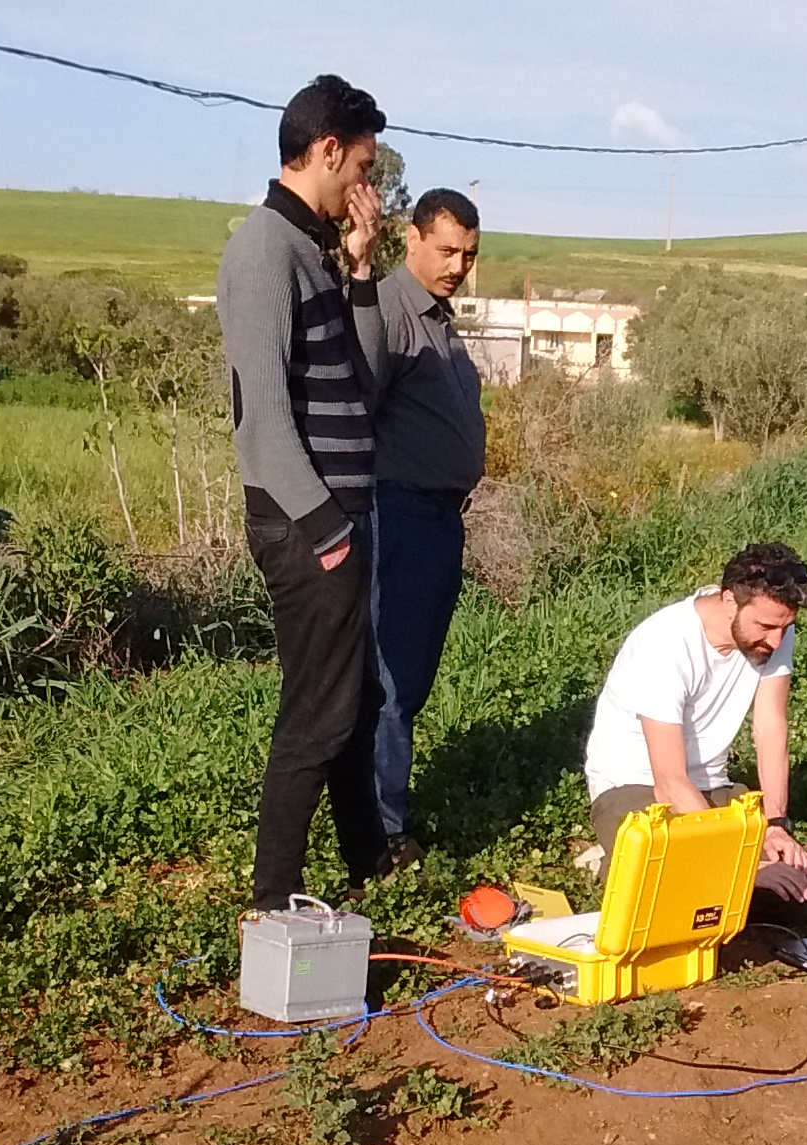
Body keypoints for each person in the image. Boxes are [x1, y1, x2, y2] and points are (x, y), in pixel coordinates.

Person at [217, 75, 390, 911]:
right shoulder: (263, 251)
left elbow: (363, 378)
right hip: (306, 525)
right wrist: (331, 533)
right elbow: (260, 422)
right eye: (362, 166)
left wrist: (360, 268)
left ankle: (370, 863)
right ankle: (272, 898)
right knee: (318, 711)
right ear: (326, 151)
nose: (365, 185)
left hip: (336, 517)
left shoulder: (312, 250)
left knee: (355, 699)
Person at [579, 543, 807, 901]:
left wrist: (775, 825)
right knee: (692, 894)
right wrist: (740, 866)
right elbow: (669, 782)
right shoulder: (664, 644)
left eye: (786, 627)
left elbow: (771, 728)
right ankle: (616, 860)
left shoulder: (774, 628)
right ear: (729, 601)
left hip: (711, 787)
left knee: (786, 891)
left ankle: (666, 863)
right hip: (638, 788)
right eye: (767, 626)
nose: (776, 640)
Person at [364, 188, 484, 869]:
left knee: (409, 679)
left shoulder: (437, 320)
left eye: (468, 254)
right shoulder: (387, 312)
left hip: (437, 520)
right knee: (389, 681)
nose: (457, 266)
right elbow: (353, 415)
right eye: (446, 250)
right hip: (398, 514)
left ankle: (382, 817)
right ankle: (380, 832)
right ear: (411, 239)